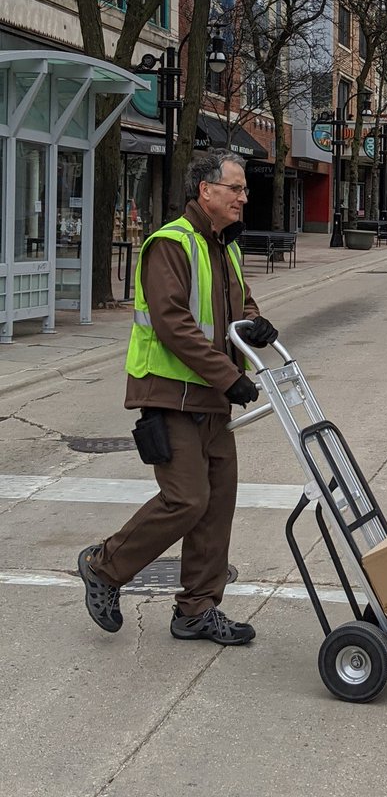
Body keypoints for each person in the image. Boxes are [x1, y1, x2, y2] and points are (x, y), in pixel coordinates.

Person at [77, 151, 278, 646]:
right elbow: (172, 323)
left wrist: (255, 324)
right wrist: (228, 376)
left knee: (217, 503)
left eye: (244, 189)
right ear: (206, 191)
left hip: (211, 398)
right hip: (171, 395)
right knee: (187, 499)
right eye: (235, 188)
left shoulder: (224, 245)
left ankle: (196, 610)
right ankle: (105, 566)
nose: (243, 197)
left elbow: (240, 303)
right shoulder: (171, 243)